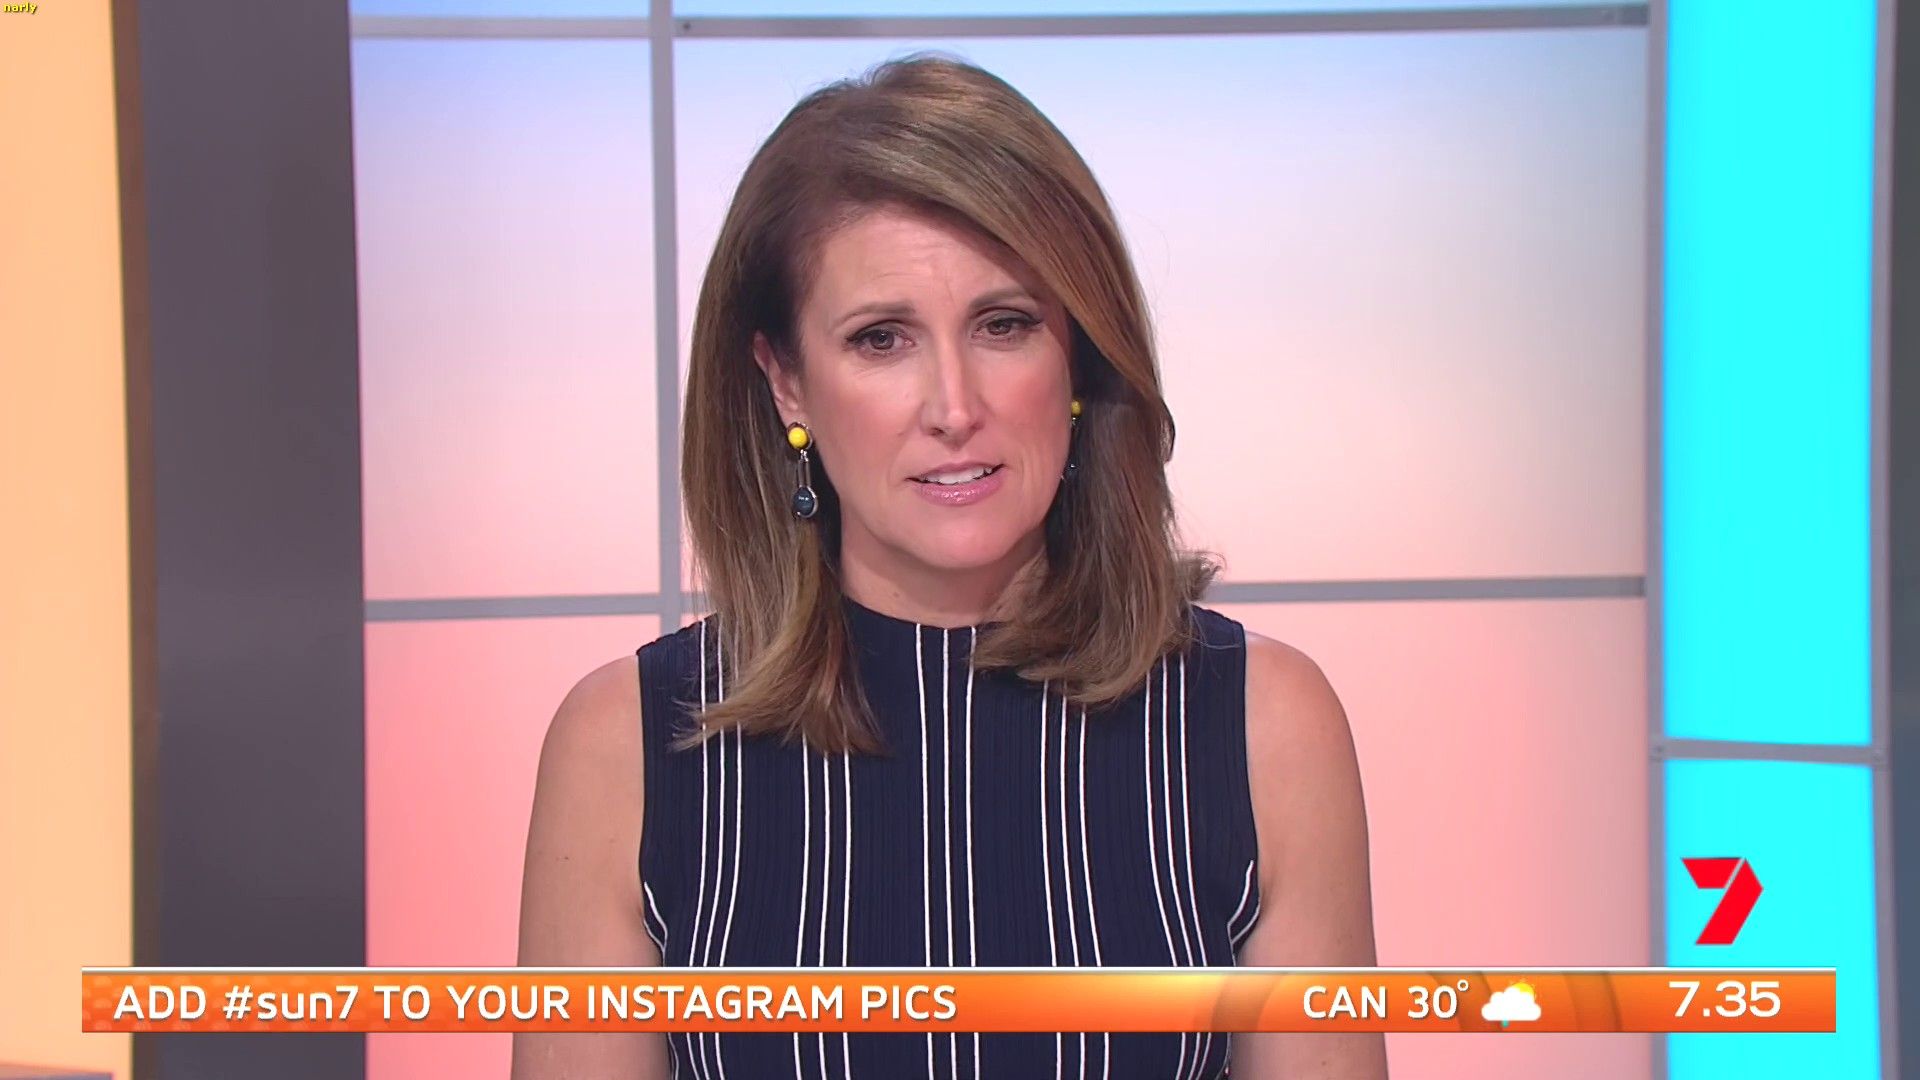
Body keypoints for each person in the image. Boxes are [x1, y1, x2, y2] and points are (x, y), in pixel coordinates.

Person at [513, 52, 1385, 1080]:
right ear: (786, 382)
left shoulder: (1261, 724)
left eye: (1004, 325)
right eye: (882, 339)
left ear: (1078, 352)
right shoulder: (626, 746)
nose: (955, 407)